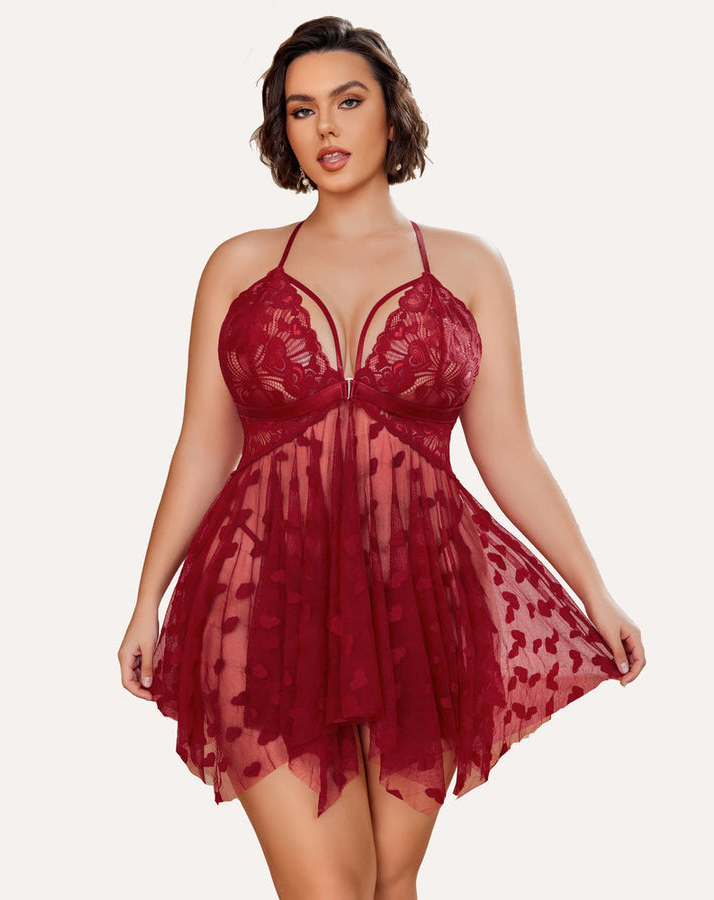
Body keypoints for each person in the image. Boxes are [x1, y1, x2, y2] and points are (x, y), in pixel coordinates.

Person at [118, 15, 645, 900]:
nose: (325, 126)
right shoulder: (239, 265)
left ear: (392, 115)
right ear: (283, 131)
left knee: (389, 884)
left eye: (348, 101)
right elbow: (204, 444)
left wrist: (597, 592)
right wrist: (147, 598)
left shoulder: (470, 266)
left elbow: (508, 450)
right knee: (333, 888)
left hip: (418, 601)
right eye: (301, 110)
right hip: (263, 595)